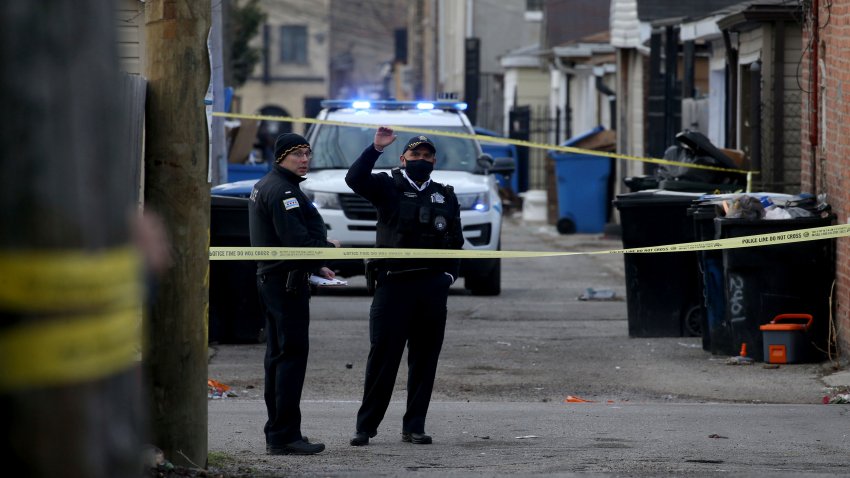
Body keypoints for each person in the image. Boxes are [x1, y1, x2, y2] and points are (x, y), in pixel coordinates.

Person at [345, 126, 464, 446]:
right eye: (415, 155)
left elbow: (456, 242)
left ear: (434, 161)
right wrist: (374, 148)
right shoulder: (387, 185)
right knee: (383, 359)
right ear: (403, 158)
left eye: (427, 155)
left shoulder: (446, 195)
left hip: (431, 288)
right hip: (393, 286)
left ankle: (414, 426)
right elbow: (354, 179)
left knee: (424, 361)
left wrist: (448, 278)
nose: (421, 159)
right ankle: (365, 427)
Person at [248, 132, 340, 455]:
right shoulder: (284, 192)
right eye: (297, 154)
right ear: (280, 158)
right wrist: (328, 250)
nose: (304, 160)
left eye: (307, 153)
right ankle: (285, 435)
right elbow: (297, 243)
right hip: (285, 285)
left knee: (277, 358)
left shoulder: (268, 185)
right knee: (289, 359)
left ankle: (278, 431)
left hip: (277, 280)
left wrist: (317, 268)